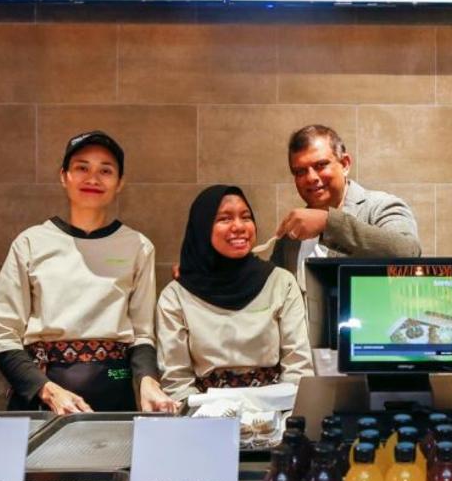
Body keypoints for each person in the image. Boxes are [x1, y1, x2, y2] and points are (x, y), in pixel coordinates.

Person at [0, 131, 177, 414]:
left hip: (114, 391)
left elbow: (142, 334)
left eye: (105, 170)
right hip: (43, 398)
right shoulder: (31, 242)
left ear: (120, 182)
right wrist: (48, 391)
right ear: (64, 176)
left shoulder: (138, 246)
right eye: (82, 168)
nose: (93, 179)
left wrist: (147, 380)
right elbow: (0, 333)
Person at [157, 185, 314, 401]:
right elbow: (176, 380)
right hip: (205, 417)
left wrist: (285, 417)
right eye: (224, 219)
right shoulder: (175, 296)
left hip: (275, 413)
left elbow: (298, 366)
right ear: (202, 227)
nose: (239, 226)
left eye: (246, 217)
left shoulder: (281, 282)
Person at [267, 125, 421, 287]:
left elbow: (408, 253)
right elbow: (274, 290)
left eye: (320, 165)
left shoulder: (380, 206)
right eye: (300, 172)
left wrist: (329, 224)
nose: (311, 177)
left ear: (345, 164)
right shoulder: (293, 230)